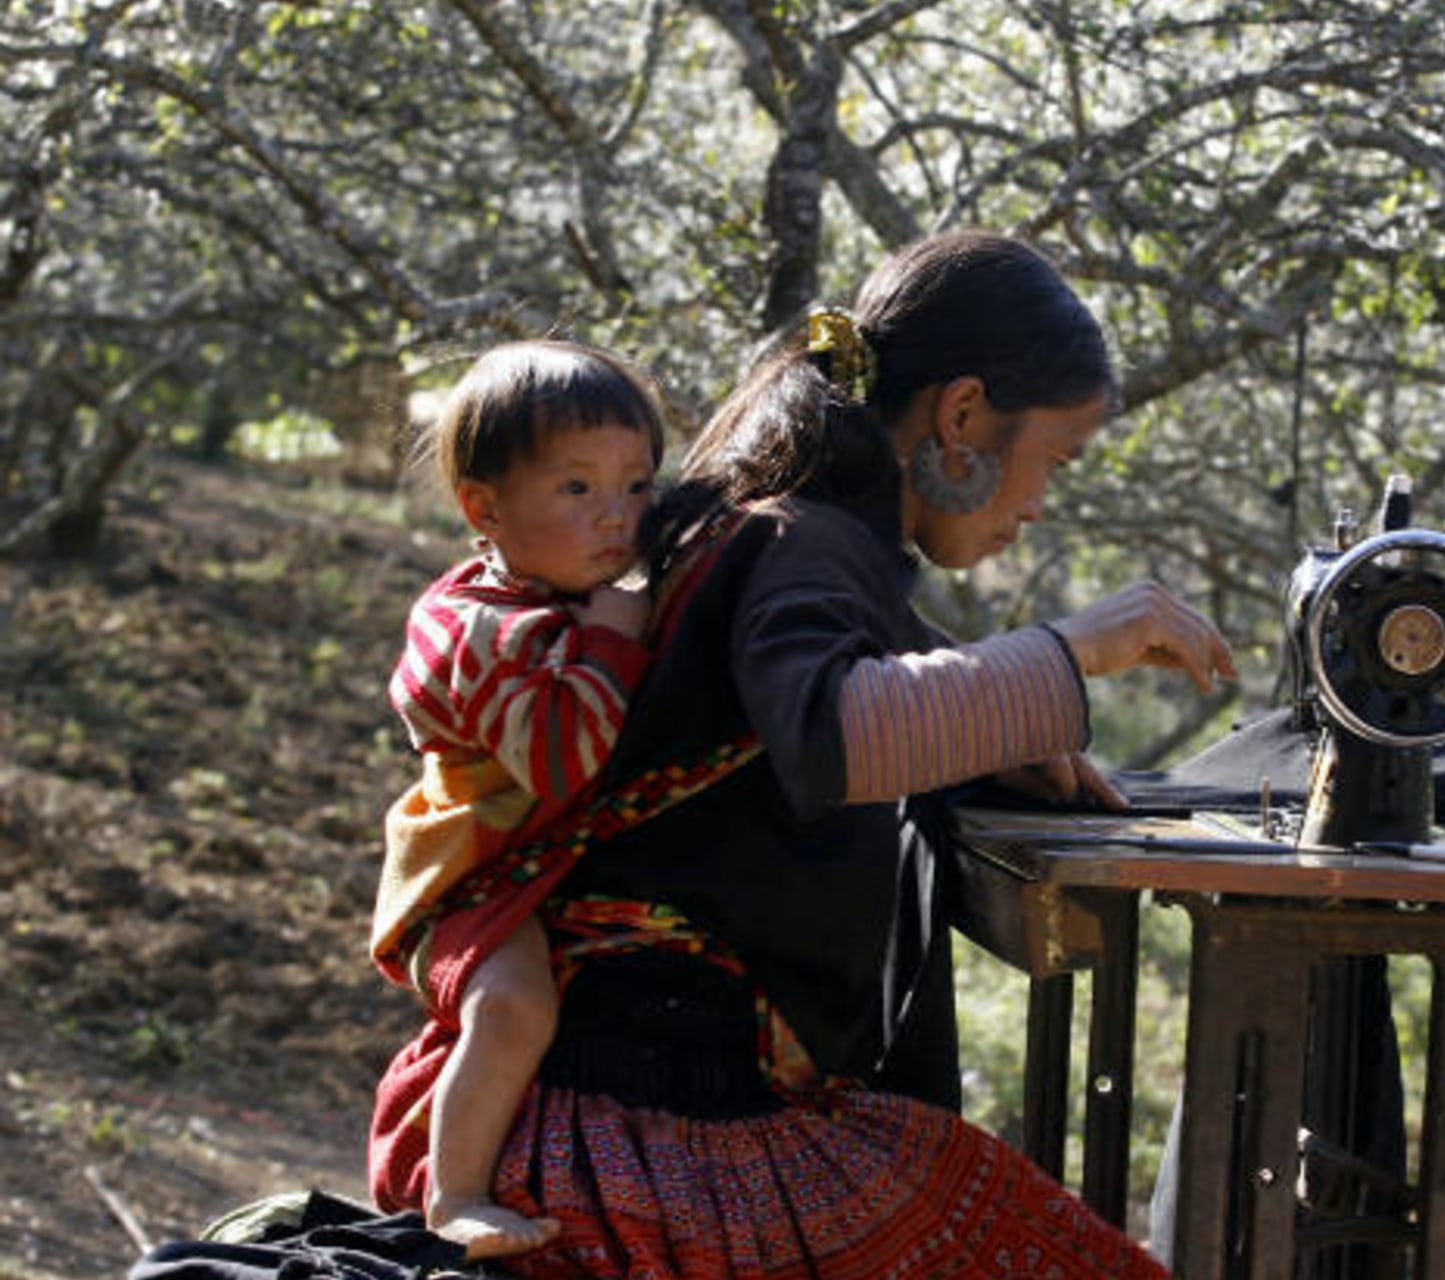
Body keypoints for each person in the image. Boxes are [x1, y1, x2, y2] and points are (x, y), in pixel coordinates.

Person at [367, 230, 1238, 1278]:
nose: (1041, 500)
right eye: (1053, 459)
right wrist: (1074, 648)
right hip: (647, 1132)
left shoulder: (789, 532)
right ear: (963, 415)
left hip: (635, 1102)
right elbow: (830, 732)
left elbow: (847, 679)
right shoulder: (805, 540)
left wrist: (1007, 733)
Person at [368, 340, 665, 1261]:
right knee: (515, 1009)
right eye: (577, 488)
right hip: (466, 885)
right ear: (484, 509)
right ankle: (454, 1194)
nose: (616, 515)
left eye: (637, 486)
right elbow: (562, 761)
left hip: (522, 868)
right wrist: (615, 639)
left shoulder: (553, 595)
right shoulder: (482, 631)